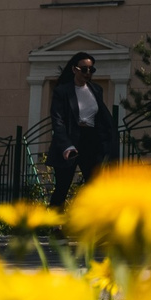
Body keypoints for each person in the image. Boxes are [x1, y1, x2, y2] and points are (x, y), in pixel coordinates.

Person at [48, 54, 112, 208]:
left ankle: (90, 223)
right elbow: (58, 120)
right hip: (70, 140)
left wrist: (106, 142)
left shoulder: (96, 90)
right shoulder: (62, 91)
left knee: (94, 184)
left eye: (91, 69)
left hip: (90, 140)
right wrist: (65, 145)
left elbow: (101, 118)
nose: (88, 72)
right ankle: (56, 226)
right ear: (74, 69)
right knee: (63, 185)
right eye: (84, 69)